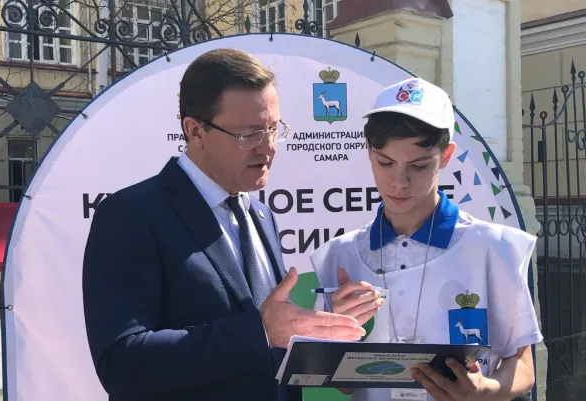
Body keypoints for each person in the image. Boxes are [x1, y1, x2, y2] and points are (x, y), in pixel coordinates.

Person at [82, 48, 366, 401]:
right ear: (195, 131)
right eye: (249, 134)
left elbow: (271, 348)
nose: (268, 148)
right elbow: (121, 362)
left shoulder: (261, 216)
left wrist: (319, 326)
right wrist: (260, 332)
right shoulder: (131, 215)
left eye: (273, 129)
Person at [310, 77, 543, 401]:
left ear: (446, 156)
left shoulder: (494, 247)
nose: (399, 181)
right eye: (385, 162)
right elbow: (344, 385)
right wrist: (340, 334)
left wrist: (486, 391)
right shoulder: (341, 256)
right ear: (369, 151)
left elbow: (524, 365)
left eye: (419, 166)